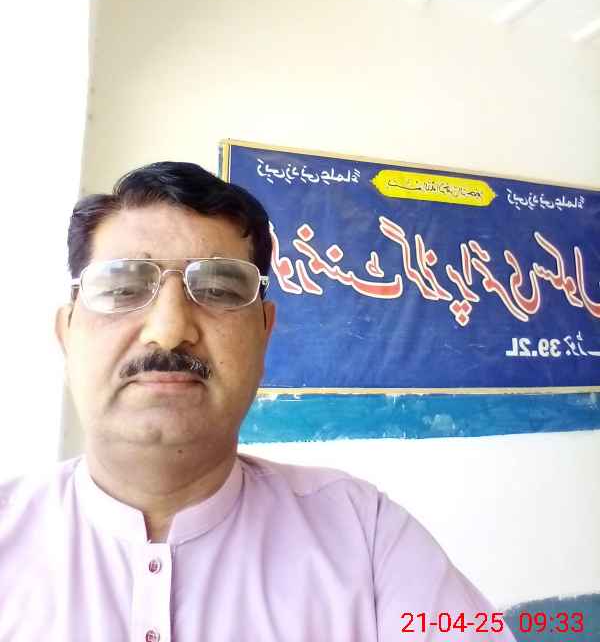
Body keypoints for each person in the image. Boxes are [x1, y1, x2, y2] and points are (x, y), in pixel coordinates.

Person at [0, 161, 515, 642]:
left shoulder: (366, 534)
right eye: (122, 287)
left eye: (220, 289)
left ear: (264, 334)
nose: (170, 329)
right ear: (67, 332)